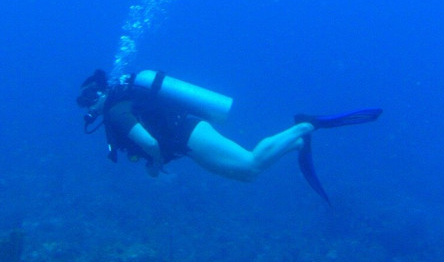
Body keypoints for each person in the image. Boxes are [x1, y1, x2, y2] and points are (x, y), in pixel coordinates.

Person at [77, 69, 381, 204]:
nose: (89, 108)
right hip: (189, 137)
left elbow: (150, 143)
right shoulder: (119, 105)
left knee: (249, 165)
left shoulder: (116, 112)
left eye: (88, 100)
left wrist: (154, 167)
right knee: (247, 174)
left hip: (189, 135)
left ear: (98, 95)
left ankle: (304, 126)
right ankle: (297, 142)